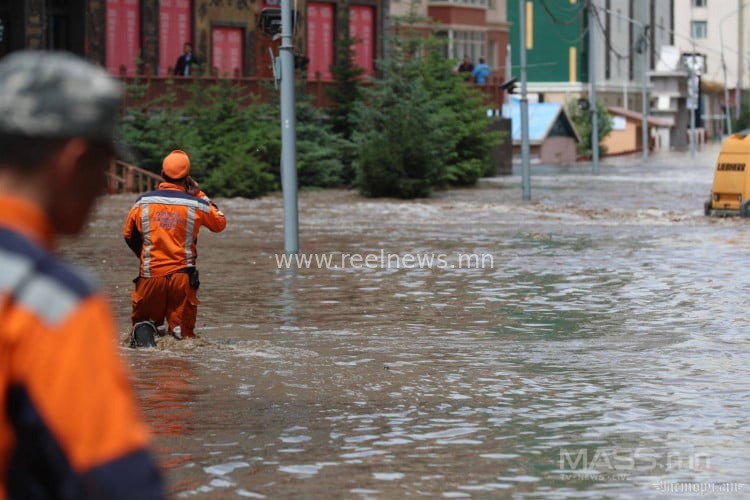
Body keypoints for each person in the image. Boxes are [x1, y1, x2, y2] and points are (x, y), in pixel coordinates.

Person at [0, 50, 164, 498]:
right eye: (105, 166)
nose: (105, 185)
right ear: (73, 161)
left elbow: (135, 233)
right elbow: (119, 481)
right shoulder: (47, 298)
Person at [124, 150, 226, 340]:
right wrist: (200, 194)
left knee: (143, 326)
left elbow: (129, 235)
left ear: (162, 174)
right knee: (181, 337)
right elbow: (220, 223)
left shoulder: (142, 203)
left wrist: (146, 257)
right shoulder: (197, 204)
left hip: (150, 274)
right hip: (183, 277)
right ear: (188, 178)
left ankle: (145, 359)